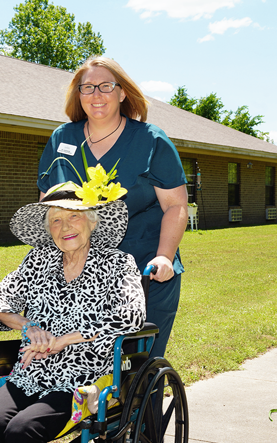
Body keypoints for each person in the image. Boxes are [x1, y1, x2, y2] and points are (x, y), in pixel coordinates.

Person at [0, 182, 146, 443]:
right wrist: (27, 325)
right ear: (47, 229)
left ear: (92, 220)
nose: (65, 227)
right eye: (55, 220)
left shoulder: (118, 263)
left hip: (80, 377)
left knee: (23, 431)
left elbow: (132, 314)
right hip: (29, 373)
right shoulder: (38, 261)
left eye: (73, 216)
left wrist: (66, 339)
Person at [38, 56, 188, 362]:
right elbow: (46, 205)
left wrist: (165, 255)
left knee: (135, 369)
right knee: (78, 366)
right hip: (79, 276)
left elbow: (175, 205)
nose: (96, 94)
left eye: (106, 86)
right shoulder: (62, 138)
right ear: (78, 94)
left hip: (144, 272)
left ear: (122, 93)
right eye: (88, 87)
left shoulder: (150, 140)